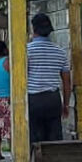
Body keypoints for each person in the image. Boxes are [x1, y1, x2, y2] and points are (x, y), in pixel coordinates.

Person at [27, 13, 71, 143]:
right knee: (54, 137)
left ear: (33, 29)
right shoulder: (60, 52)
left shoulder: (26, 51)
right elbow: (67, 82)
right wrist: (66, 104)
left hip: (33, 99)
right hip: (53, 99)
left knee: (34, 137)